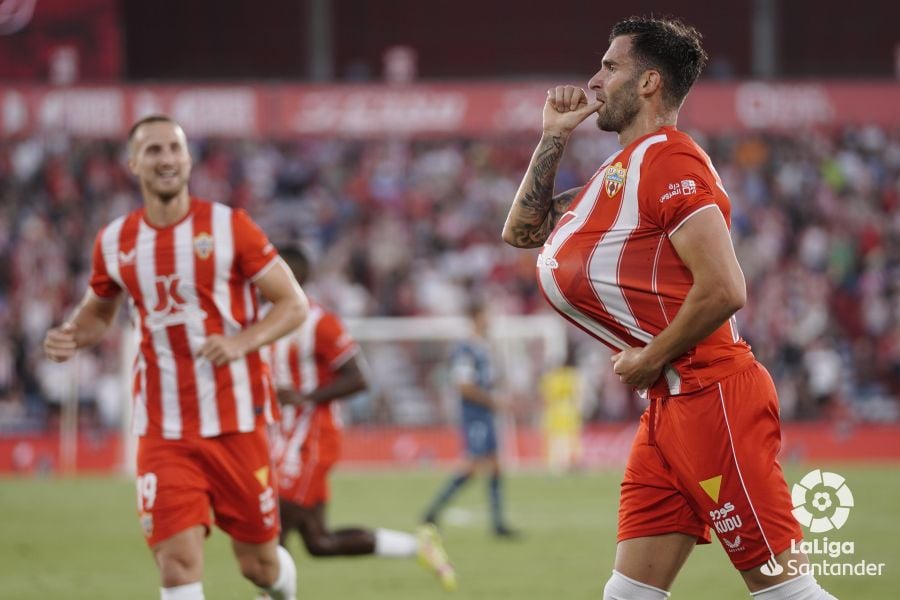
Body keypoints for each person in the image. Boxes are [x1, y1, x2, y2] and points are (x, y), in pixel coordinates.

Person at [501, 16, 836, 600]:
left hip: (713, 397)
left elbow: (726, 288)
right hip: (667, 407)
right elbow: (522, 231)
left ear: (650, 82)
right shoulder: (616, 172)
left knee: (786, 592)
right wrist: (553, 134)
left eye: (611, 66)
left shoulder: (671, 162)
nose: (594, 79)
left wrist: (650, 355)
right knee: (628, 594)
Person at [42, 115, 306, 600]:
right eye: (154, 150)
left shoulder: (232, 228)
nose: (166, 159)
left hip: (236, 423)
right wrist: (73, 335)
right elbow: (98, 313)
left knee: (258, 565)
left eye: (174, 149)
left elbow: (294, 304)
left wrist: (239, 343)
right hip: (163, 429)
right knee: (177, 564)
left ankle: (282, 589)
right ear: (133, 163)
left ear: (188, 160)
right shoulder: (115, 241)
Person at [267, 246, 457, 591]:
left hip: (312, 437)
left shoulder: (319, 322)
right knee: (317, 542)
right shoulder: (270, 319)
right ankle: (419, 547)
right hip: (285, 436)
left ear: (291, 275)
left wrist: (305, 397)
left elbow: (358, 378)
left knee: (274, 526)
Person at [422, 301, 519, 538]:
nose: (490, 320)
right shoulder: (465, 350)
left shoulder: (483, 347)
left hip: (485, 414)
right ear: (476, 316)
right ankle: (430, 514)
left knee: (495, 465)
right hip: (474, 414)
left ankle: (498, 524)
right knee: (472, 466)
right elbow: (464, 387)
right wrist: (493, 401)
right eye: (487, 314)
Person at [539, 345, 584, 472]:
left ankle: (559, 464)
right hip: (568, 410)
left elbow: (544, 397)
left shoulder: (550, 377)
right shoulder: (572, 376)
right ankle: (570, 462)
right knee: (569, 437)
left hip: (555, 411)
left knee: (558, 438)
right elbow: (578, 394)